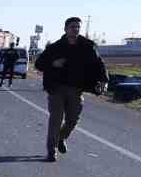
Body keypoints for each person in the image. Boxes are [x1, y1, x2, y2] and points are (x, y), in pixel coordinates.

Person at [33, 16, 108, 162]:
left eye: (78, 27)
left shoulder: (87, 46)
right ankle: (51, 150)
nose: (76, 29)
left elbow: (99, 64)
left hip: (76, 89)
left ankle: (61, 138)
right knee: (56, 119)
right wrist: (53, 64)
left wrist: (104, 80)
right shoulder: (55, 47)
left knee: (73, 119)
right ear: (66, 29)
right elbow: (39, 64)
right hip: (56, 88)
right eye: (73, 27)